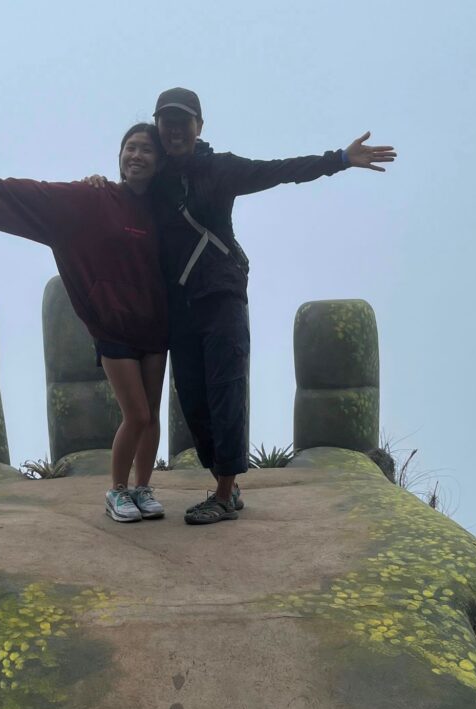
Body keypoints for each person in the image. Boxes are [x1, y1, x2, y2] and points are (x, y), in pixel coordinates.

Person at [93, 89, 397, 524]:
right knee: (193, 399)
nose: (175, 130)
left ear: (200, 127)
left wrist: (341, 159)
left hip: (221, 295)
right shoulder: (156, 180)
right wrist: (95, 185)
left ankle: (224, 492)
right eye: (168, 122)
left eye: (184, 121)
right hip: (179, 305)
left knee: (225, 390)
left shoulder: (220, 168)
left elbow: (280, 171)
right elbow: (125, 195)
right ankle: (222, 484)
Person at [0, 124, 169, 523]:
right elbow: (40, 197)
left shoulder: (164, 210)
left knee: (152, 414)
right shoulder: (94, 199)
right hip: (113, 326)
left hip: (154, 324)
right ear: (119, 156)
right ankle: (117, 490)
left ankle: (142, 488)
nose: (136, 155)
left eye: (146, 150)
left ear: (160, 161)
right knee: (137, 415)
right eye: (129, 147)